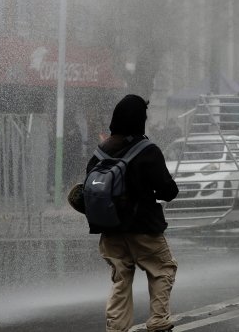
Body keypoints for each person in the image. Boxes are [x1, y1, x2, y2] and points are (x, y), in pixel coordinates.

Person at [87, 94, 180, 332]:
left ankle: (116, 327)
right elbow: (168, 191)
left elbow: (87, 190)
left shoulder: (100, 153)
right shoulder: (147, 150)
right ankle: (159, 321)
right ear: (140, 120)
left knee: (121, 276)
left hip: (109, 229)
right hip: (144, 227)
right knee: (162, 269)